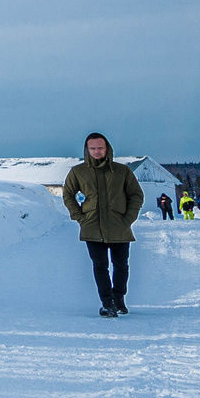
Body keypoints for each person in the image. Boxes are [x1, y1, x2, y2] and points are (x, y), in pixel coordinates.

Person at [64, 132, 143, 318]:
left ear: (107, 148)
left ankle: (119, 298)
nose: (97, 151)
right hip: (92, 226)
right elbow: (68, 194)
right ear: (87, 150)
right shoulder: (78, 172)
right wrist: (80, 217)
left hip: (119, 226)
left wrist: (128, 219)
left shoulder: (121, 171)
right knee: (100, 266)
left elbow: (136, 195)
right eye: (93, 148)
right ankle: (107, 303)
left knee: (121, 265)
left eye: (100, 148)